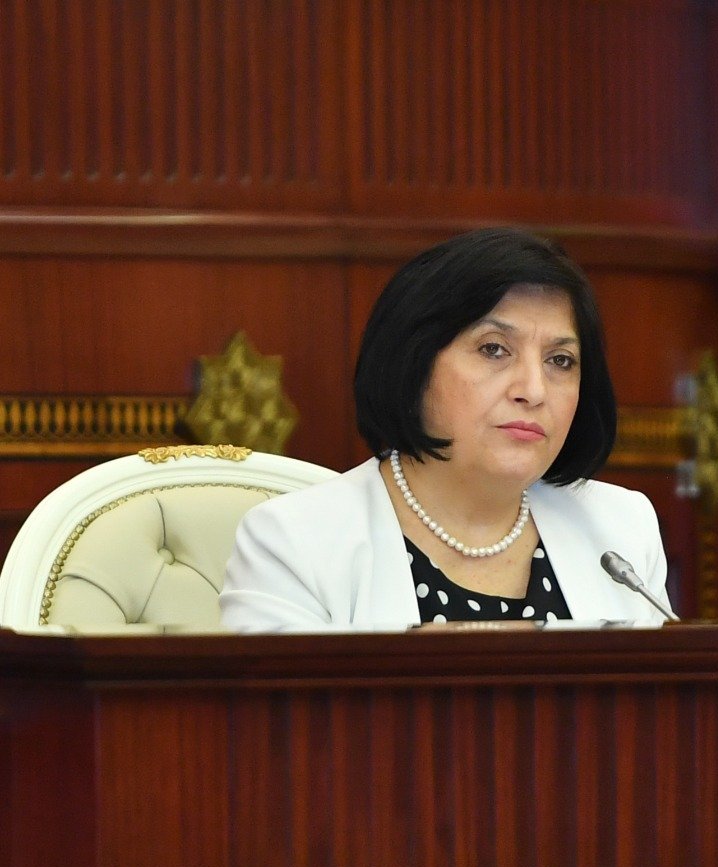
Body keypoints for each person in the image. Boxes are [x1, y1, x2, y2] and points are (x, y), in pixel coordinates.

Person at [220, 228, 670, 631]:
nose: (534, 390)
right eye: (494, 349)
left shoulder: (622, 529)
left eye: (560, 360)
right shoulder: (295, 542)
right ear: (413, 363)